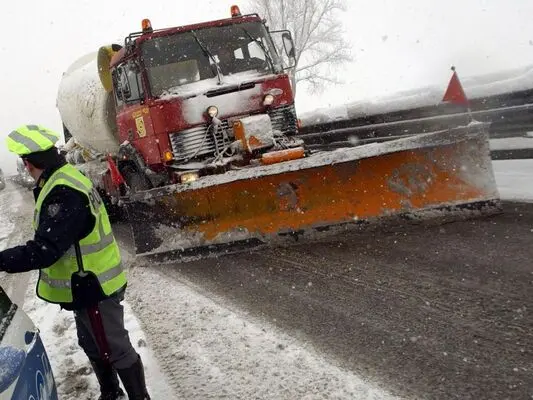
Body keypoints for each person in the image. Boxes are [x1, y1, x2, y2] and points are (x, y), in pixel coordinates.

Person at [0, 125, 150, 400]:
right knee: (93, 343)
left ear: (30, 162)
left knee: (113, 347)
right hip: (90, 284)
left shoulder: (63, 192)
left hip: (94, 285)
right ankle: (110, 393)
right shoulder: (66, 178)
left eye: (25, 163)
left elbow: (45, 250)